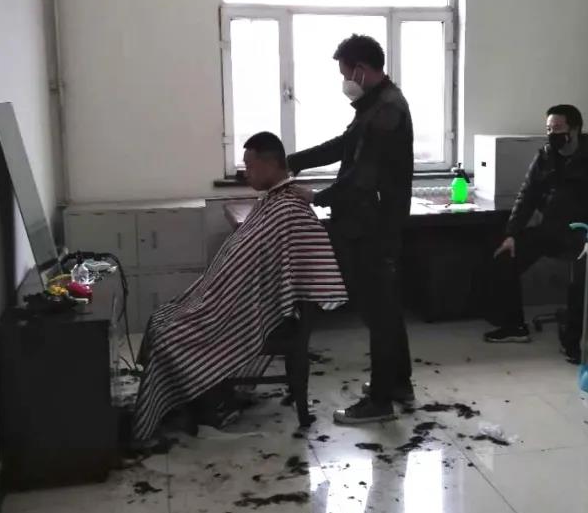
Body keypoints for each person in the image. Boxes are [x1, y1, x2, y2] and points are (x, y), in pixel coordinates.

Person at [133, 132, 347, 442]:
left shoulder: (290, 210)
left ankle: (209, 403)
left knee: (171, 335)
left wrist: (221, 301)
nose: (246, 173)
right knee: (160, 320)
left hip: (249, 311)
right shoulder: (273, 200)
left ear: (270, 164)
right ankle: (196, 396)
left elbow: (297, 274)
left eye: (250, 165)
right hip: (230, 301)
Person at [288, 34, 414, 425]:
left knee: (379, 313)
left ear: (360, 69)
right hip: (370, 223)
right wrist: (293, 161)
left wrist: (317, 197)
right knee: (385, 309)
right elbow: (344, 145)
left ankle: (380, 402)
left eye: (345, 73)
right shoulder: (375, 105)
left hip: (374, 228)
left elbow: (362, 177)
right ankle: (398, 384)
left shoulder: (387, 110)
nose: (344, 81)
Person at [485, 105, 588, 362]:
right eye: (548, 129)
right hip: (550, 230)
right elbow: (527, 196)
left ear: (575, 129)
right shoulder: (545, 156)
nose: (552, 134)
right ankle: (514, 327)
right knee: (504, 258)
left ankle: (572, 342)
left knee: (582, 277)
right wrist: (512, 234)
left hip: (583, 234)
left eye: (557, 128)